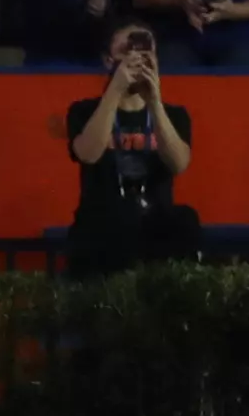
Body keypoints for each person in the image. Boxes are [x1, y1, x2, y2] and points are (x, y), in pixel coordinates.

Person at [66, 20, 198, 276]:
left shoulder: (175, 115)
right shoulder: (83, 111)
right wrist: (115, 90)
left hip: (155, 221)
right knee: (118, 214)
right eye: (128, 52)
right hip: (101, 223)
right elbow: (88, 154)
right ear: (108, 61)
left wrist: (155, 102)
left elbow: (179, 163)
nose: (138, 61)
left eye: (146, 53)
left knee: (186, 219)